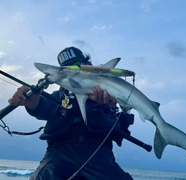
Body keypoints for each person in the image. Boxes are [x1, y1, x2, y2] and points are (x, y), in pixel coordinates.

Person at [8, 46, 134, 180]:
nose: (72, 74)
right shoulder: (58, 97)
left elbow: (118, 127)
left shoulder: (107, 94)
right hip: (58, 155)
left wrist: (104, 105)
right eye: (66, 70)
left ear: (88, 65)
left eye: (76, 66)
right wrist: (32, 101)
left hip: (99, 153)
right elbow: (42, 106)